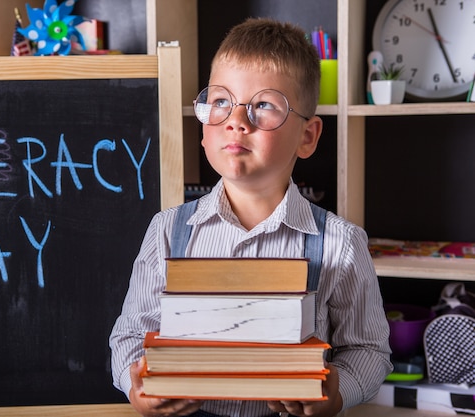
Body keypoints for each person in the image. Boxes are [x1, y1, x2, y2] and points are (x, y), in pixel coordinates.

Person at [109, 17, 392, 417]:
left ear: (307, 137)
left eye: (264, 105)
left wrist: (337, 392)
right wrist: (137, 384)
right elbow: (130, 335)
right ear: (204, 125)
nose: (237, 121)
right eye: (221, 101)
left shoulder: (340, 242)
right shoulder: (167, 231)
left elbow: (368, 350)